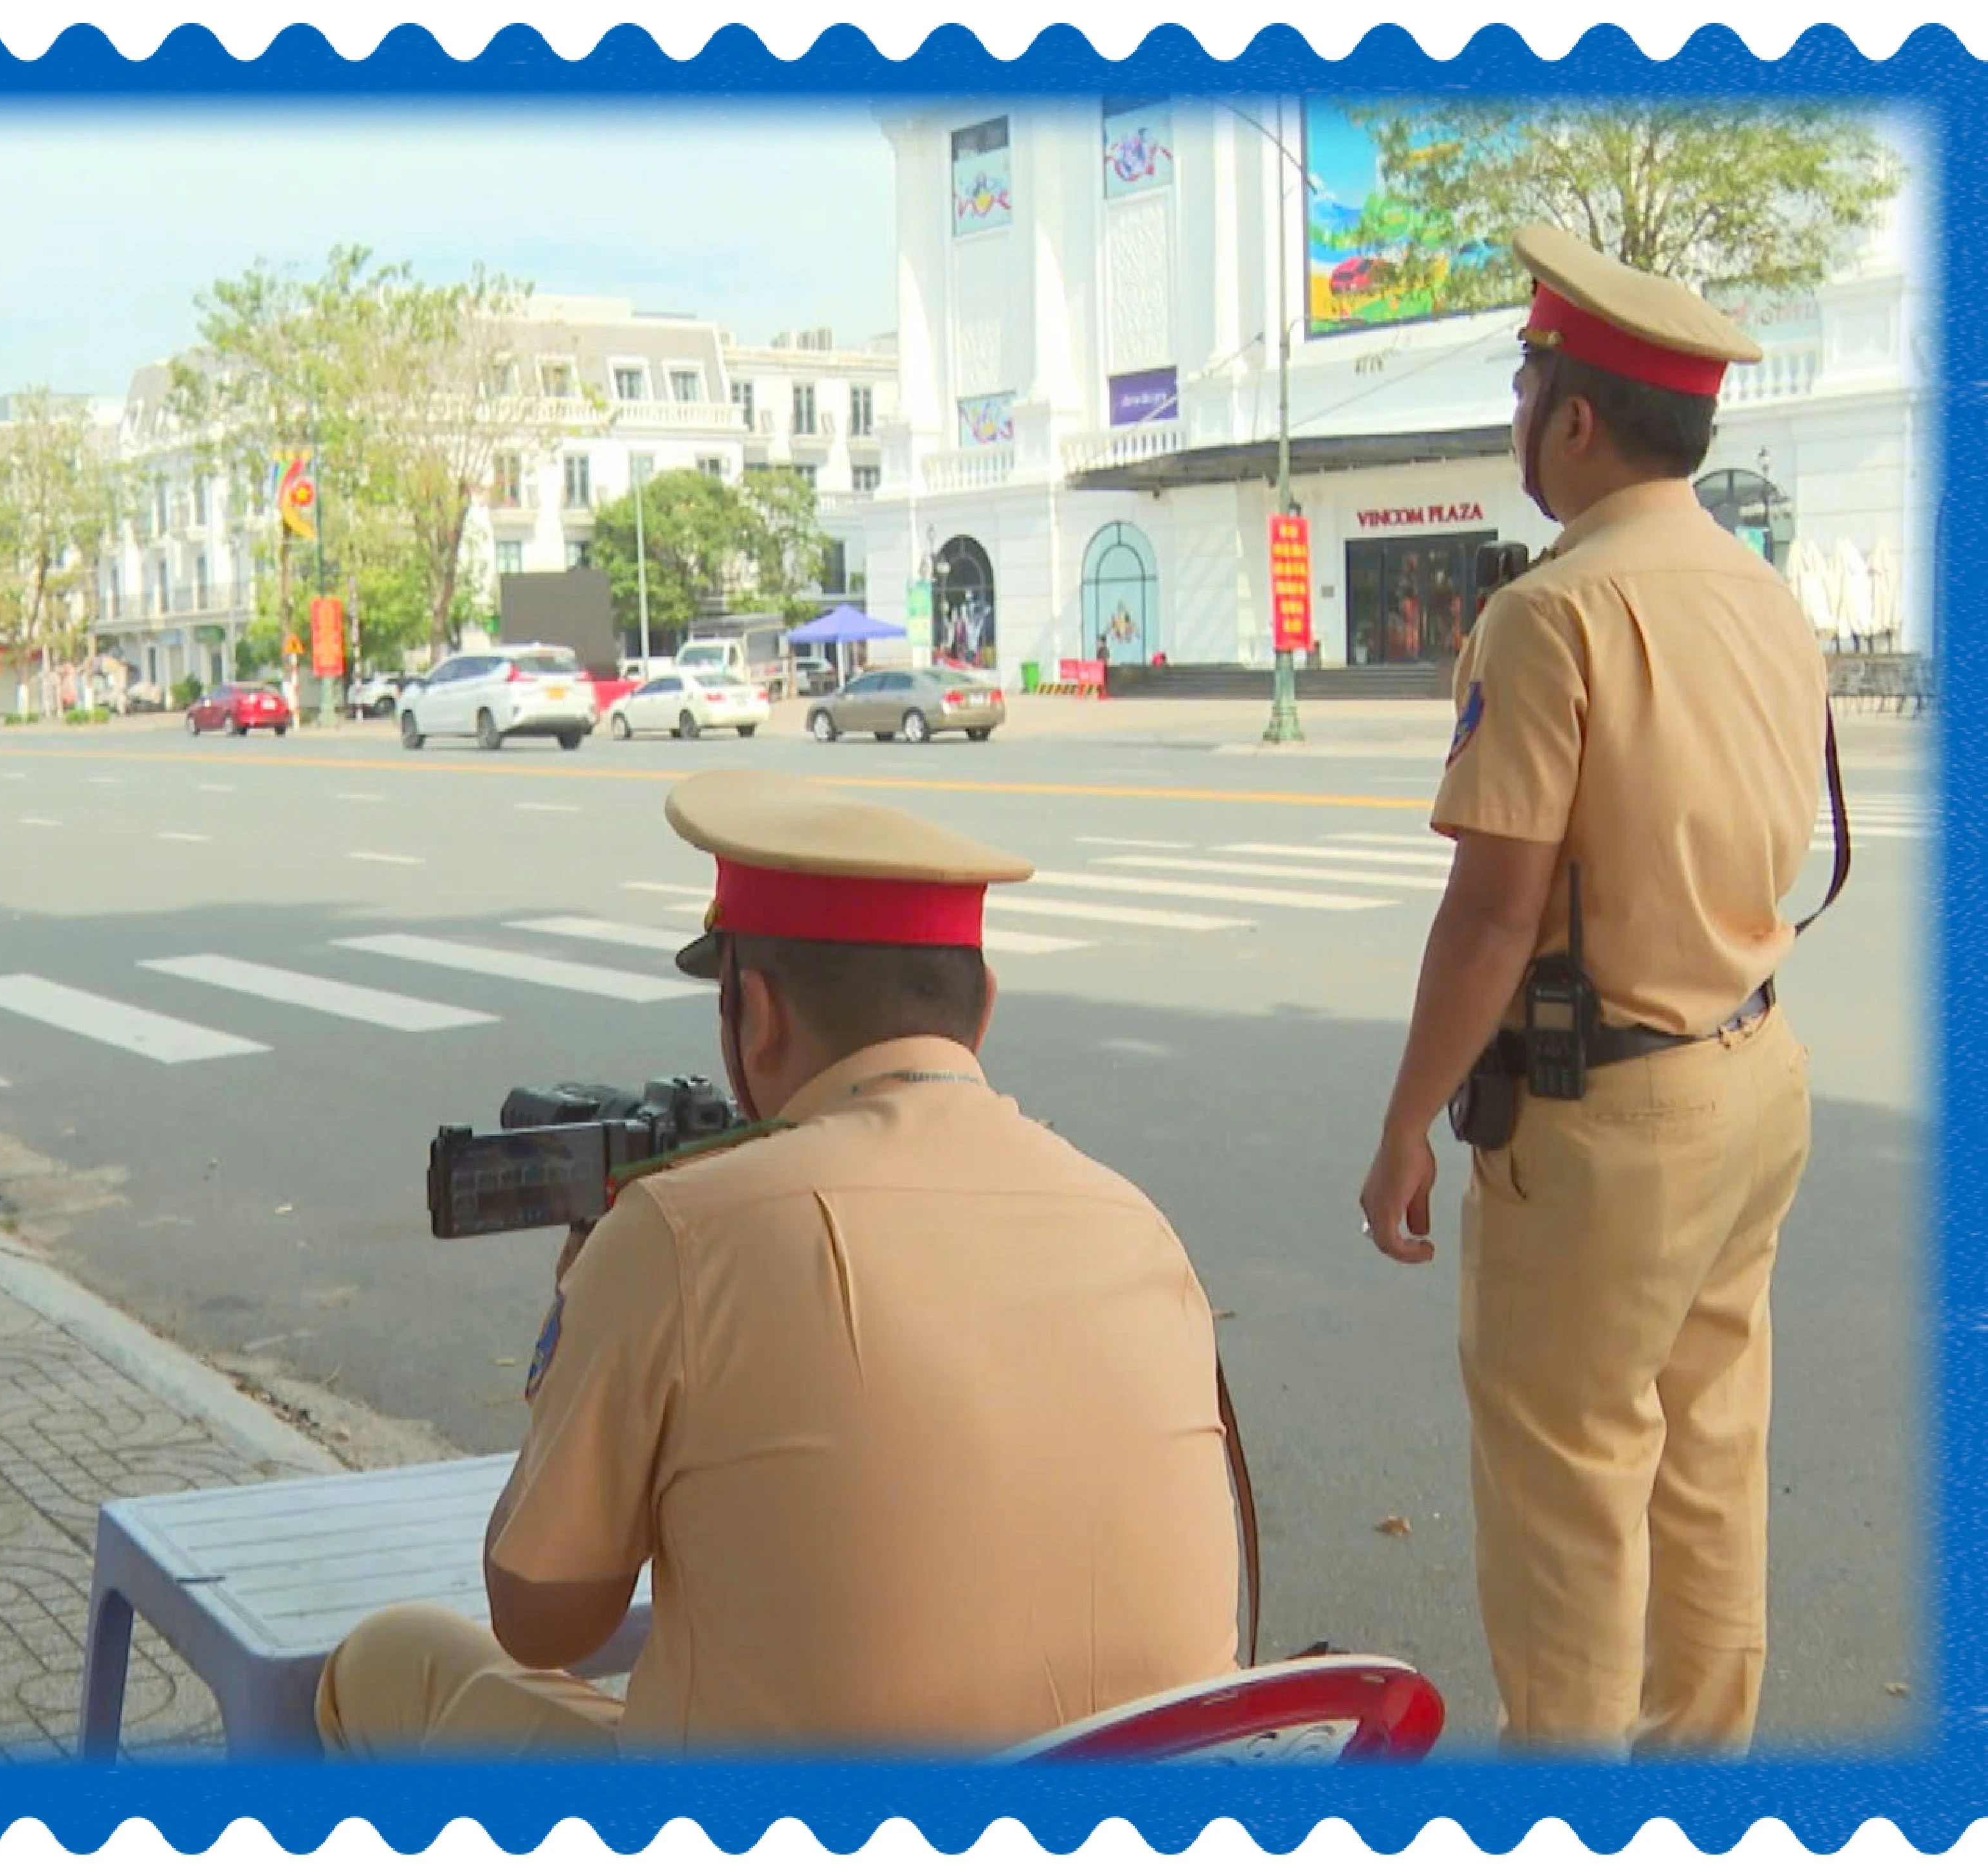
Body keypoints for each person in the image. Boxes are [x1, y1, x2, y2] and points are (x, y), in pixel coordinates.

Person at [318, 769, 1244, 1758]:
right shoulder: (1136, 1223)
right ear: (981, 1010)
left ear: (755, 1011)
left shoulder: (680, 1233)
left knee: (387, 1661)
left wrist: (578, 1314)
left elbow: (544, 1620)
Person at [1356, 224, 1836, 1757]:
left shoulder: (1550, 614)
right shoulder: (1764, 595)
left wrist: (1402, 1124)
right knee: (1706, 1458)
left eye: (1518, 389)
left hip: (1610, 1116)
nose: (1512, 422)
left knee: (1566, 1484)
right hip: (1750, 1077)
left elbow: (1494, 912)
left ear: (1571, 417)